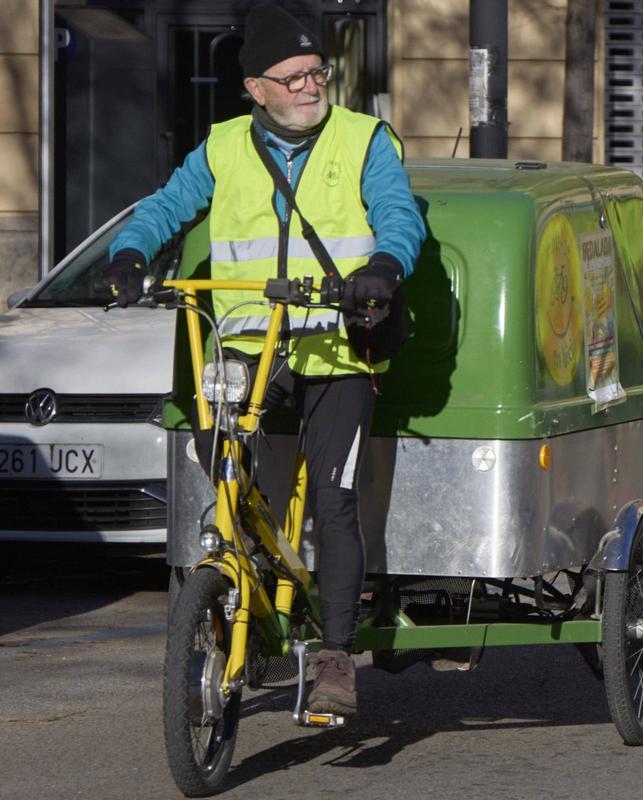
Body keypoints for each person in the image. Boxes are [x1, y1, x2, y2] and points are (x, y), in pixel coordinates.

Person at [105, 3, 426, 716]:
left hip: (338, 345)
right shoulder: (223, 146)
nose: (311, 86)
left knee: (334, 501)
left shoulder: (364, 138)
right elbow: (166, 206)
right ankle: (239, 591)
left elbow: (399, 214)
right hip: (250, 344)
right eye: (294, 77)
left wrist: (382, 266)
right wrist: (129, 253)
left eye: (318, 72)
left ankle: (335, 658)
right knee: (221, 466)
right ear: (256, 88)